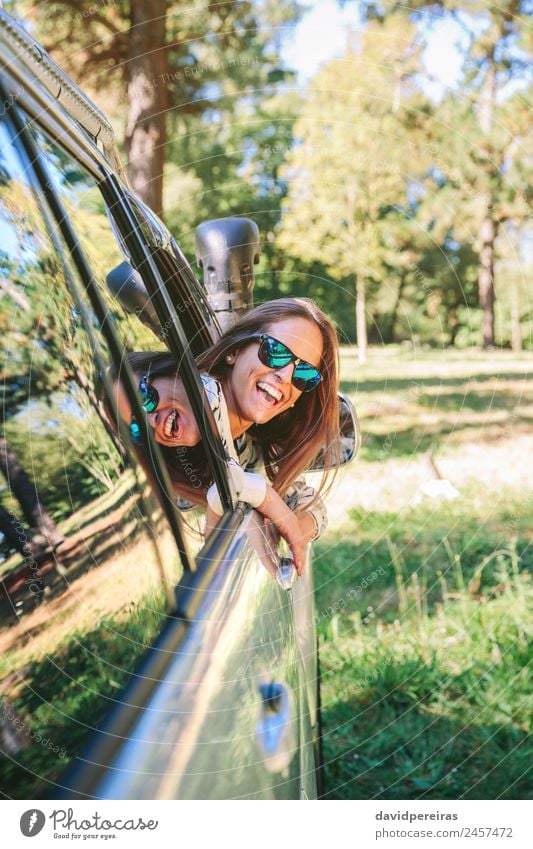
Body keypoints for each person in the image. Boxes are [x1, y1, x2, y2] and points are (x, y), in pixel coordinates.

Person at [108, 298, 340, 574]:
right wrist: (257, 494)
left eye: (303, 373)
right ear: (233, 352)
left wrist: (294, 529)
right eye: (275, 350)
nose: (285, 375)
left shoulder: (254, 447)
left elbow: (309, 501)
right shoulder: (179, 483)